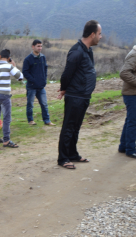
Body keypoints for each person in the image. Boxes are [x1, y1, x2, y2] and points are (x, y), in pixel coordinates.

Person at [57, 20, 102, 169]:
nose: (101, 37)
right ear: (92, 34)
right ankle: (63, 158)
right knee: (69, 127)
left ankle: (72, 154)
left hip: (84, 96)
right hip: (75, 96)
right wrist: (64, 88)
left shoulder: (88, 50)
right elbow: (67, 73)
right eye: (99, 34)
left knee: (76, 127)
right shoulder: (77, 51)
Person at [0, 49, 23, 148]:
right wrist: (14, 66)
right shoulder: (9, 66)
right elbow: (20, 77)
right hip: (5, 95)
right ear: (9, 58)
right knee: (6, 118)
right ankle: (6, 140)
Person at [23, 39, 55, 126]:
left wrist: (44, 80)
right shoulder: (28, 59)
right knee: (30, 104)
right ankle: (30, 120)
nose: (40, 48)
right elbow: (25, 72)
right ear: (33, 47)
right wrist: (33, 80)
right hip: (31, 86)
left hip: (41, 86)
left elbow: (45, 69)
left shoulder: (43, 57)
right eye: (38, 46)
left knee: (44, 104)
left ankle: (47, 120)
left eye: (41, 46)